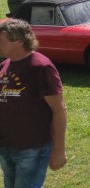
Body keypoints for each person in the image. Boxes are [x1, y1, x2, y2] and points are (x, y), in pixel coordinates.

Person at [0, 19, 67, 188]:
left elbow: (59, 110)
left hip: (32, 148)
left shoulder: (40, 67)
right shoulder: (4, 65)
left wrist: (59, 150)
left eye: (2, 41)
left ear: (20, 41)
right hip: (6, 145)